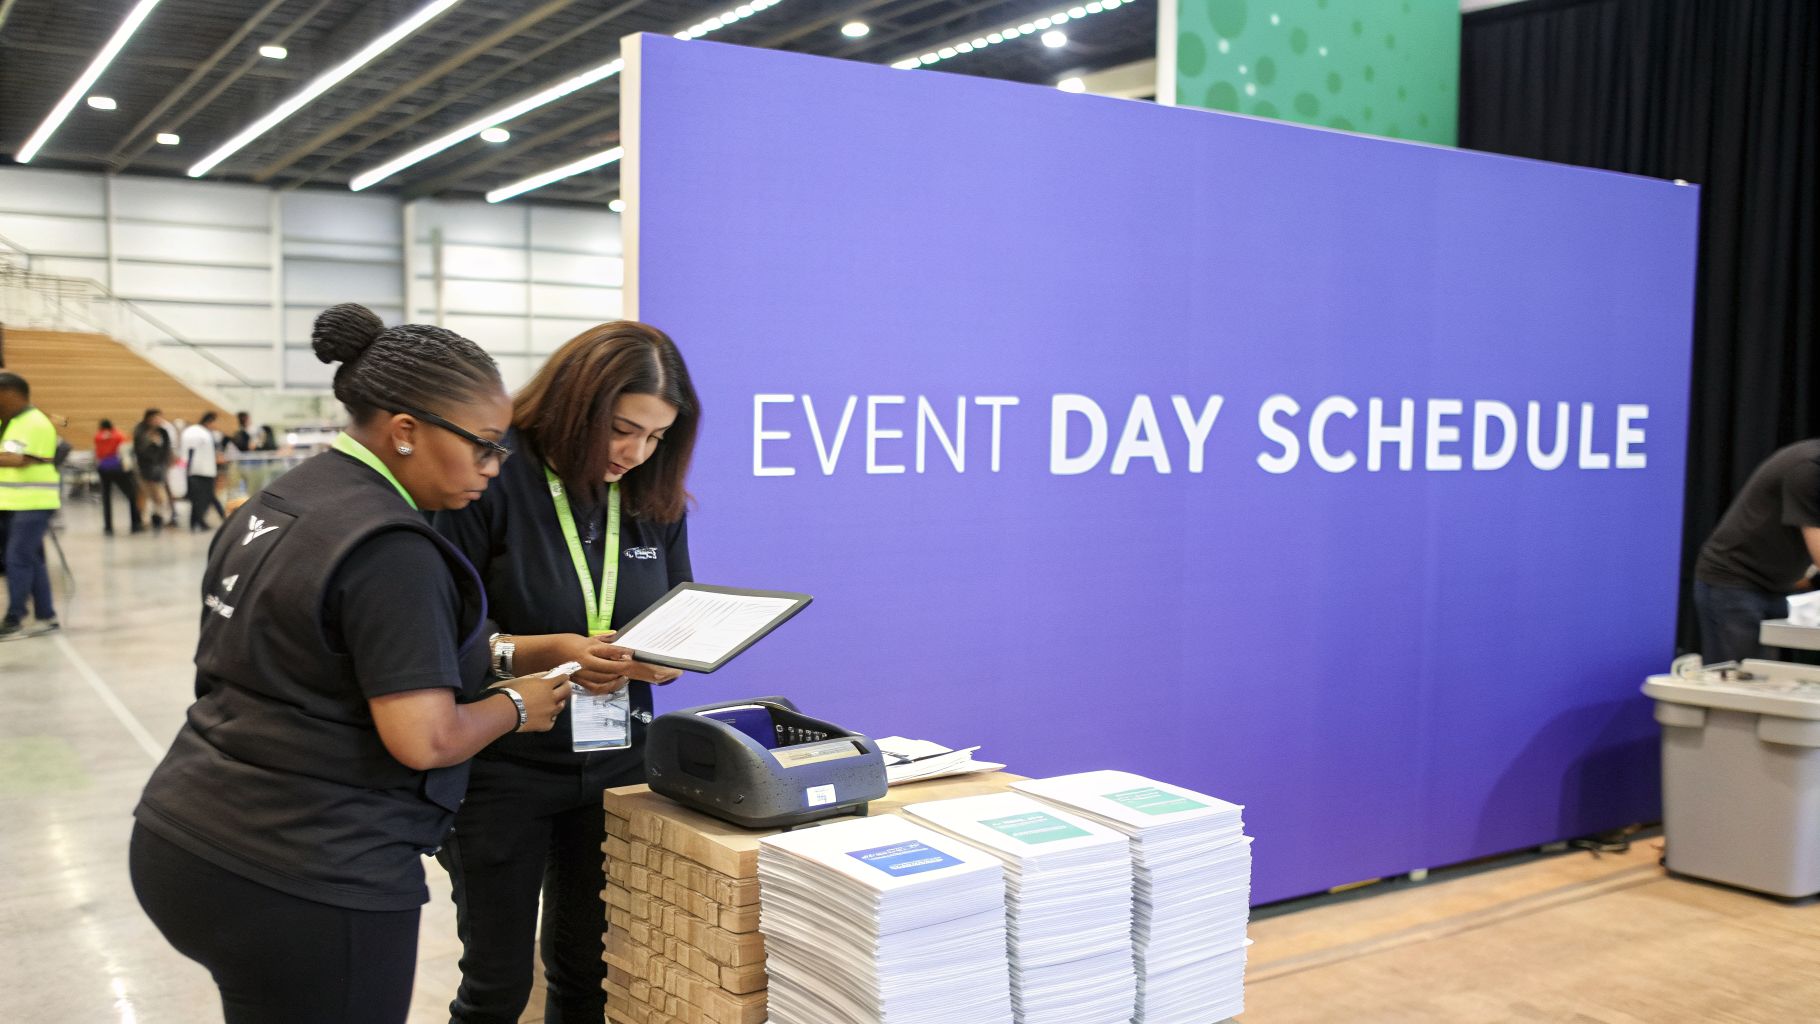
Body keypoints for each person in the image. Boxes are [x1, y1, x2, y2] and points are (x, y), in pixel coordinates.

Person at [130, 302, 575, 1024]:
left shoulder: (278, 503)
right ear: (405, 432)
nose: (494, 469)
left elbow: (309, 657)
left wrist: (510, 650)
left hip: (184, 835)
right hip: (307, 869)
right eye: (485, 447)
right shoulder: (392, 547)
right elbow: (423, 737)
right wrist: (520, 705)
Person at [434, 322, 700, 1024]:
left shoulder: (650, 494)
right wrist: (550, 650)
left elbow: (674, 610)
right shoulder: (490, 476)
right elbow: (440, 633)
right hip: (500, 765)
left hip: (616, 763)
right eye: (620, 429)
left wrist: (660, 661)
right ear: (578, 403)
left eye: (654, 437)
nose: (634, 452)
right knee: (495, 986)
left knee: (589, 974)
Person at [1693, 439, 1820, 663]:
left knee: (1773, 681)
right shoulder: (1808, 468)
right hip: (1733, 583)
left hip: (1778, 586)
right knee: (1742, 684)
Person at [0, 371, 60, 639]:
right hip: (13, 502)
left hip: (33, 503)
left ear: (11, 394)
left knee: (17, 558)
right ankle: (46, 616)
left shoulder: (35, 423)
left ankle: (15, 618)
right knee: (30, 559)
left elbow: (15, 459)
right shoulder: (10, 422)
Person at [95, 417, 143, 535]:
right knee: (131, 495)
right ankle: (135, 524)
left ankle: (108, 526)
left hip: (103, 468)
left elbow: (98, 452)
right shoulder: (118, 435)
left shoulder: (97, 436)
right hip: (117, 468)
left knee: (106, 498)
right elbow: (124, 450)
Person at [180, 411, 226, 532]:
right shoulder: (197, 432)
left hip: (205, 470)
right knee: (201, 498)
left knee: (205, 497)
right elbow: (189, 452)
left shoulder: (204, 433)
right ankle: (201, 521)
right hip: (198, 471)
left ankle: (197, 522)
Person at [133, 409, 175, 530]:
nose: (159, 421)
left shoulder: (163, 432)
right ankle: (144, 519)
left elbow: (166, 449)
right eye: (156, 418)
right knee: (146, 494)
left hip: (160, 468)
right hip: (144, 468)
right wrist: (152, 444)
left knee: (160, 496)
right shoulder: (141, 432)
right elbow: (140, 451)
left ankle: (158, 517)